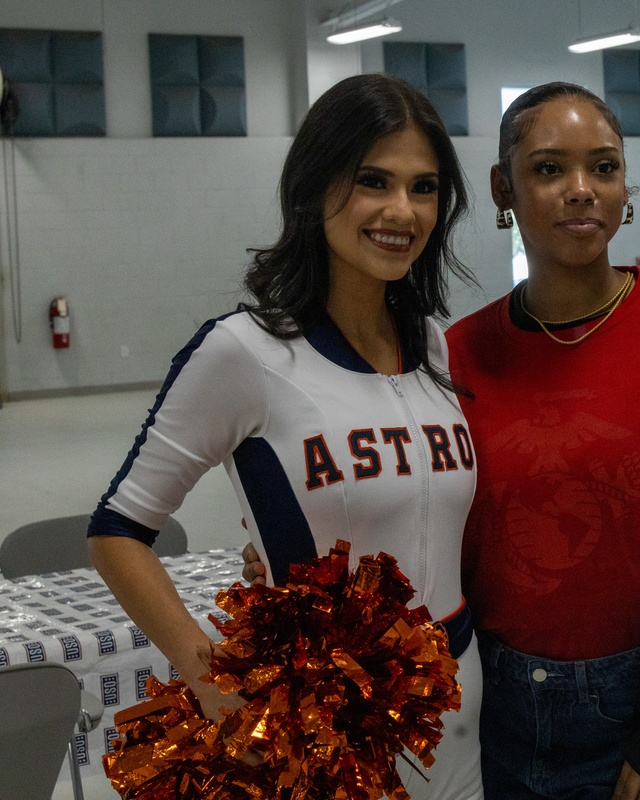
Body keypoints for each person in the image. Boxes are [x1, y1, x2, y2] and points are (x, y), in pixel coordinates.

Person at [245, 81, 640, 800]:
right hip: (484, 705)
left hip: (638, 713)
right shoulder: (453, 356)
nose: (581, 191)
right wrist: (302, 549)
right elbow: (411, 508)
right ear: (503, 189)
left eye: (603, 167)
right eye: (548, 169)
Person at [87, 73, 484, 800]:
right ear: (313, 188)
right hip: (322, 732)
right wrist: (211, 679)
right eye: (373, 181)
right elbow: (117, 530)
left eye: (423, 187)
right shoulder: (244, 352)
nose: (403, 210)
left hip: (461, 707)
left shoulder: (430, 341)